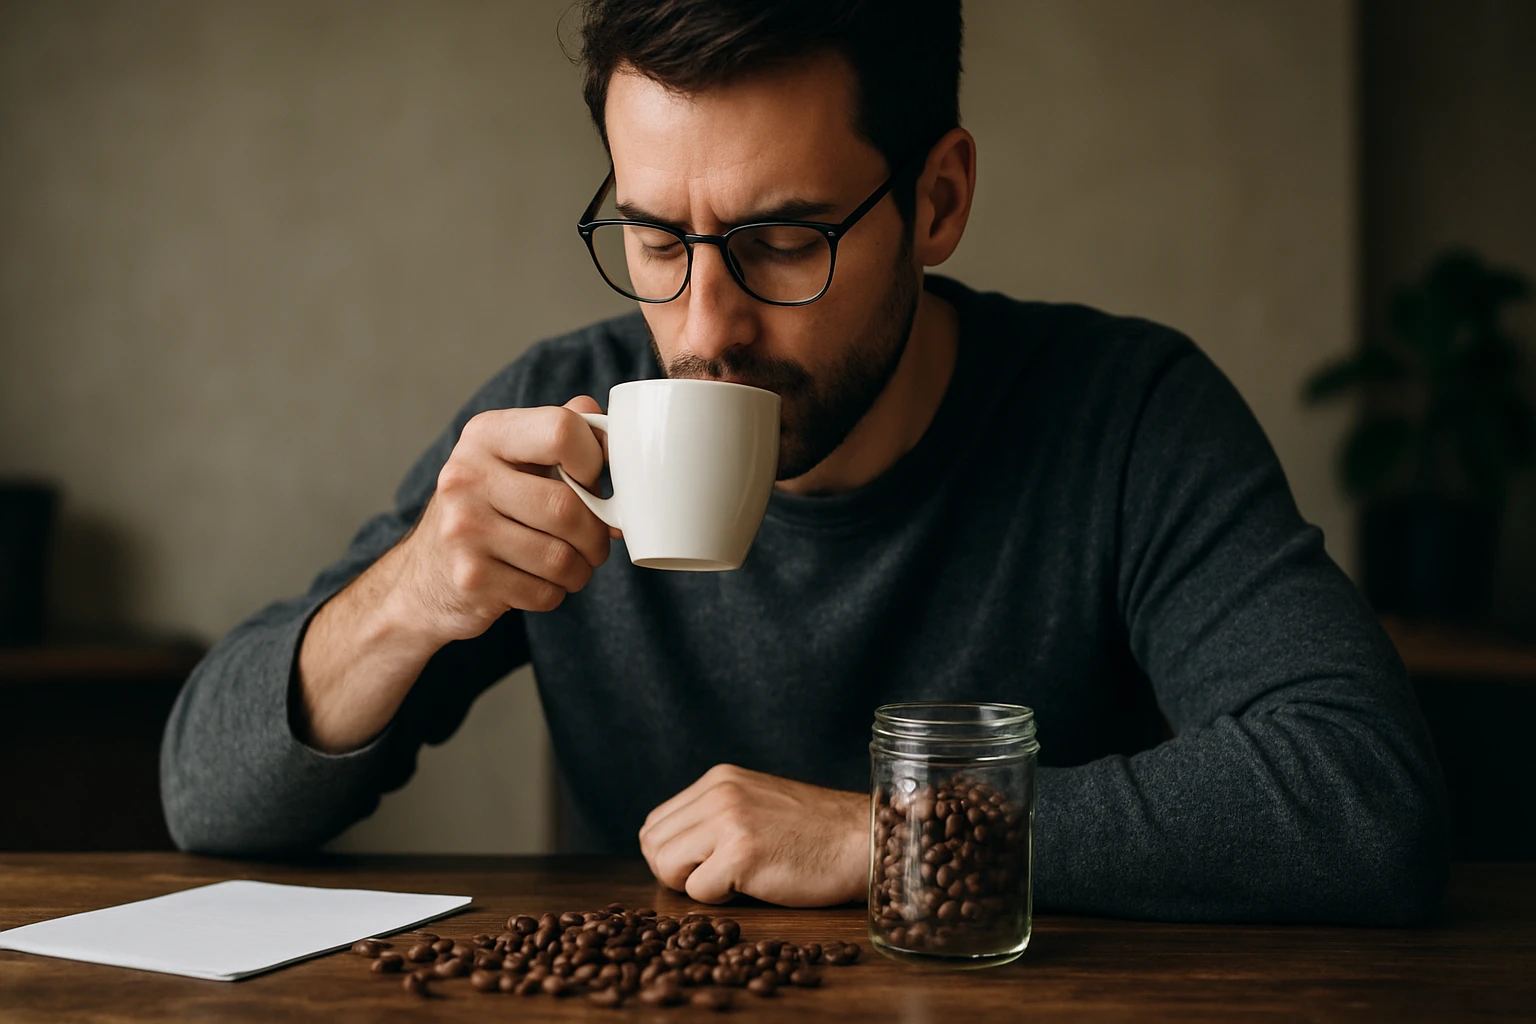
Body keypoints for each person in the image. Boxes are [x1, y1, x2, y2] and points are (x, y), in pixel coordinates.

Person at [160, 0, 1449, 924]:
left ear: (936, 201)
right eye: (657, 239)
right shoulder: (559, 425)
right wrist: (411, 600)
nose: (705, 329)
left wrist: (886, 836)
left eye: (782, 241)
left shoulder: (1125, 416)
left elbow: (1366, 793)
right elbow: (205, 798)